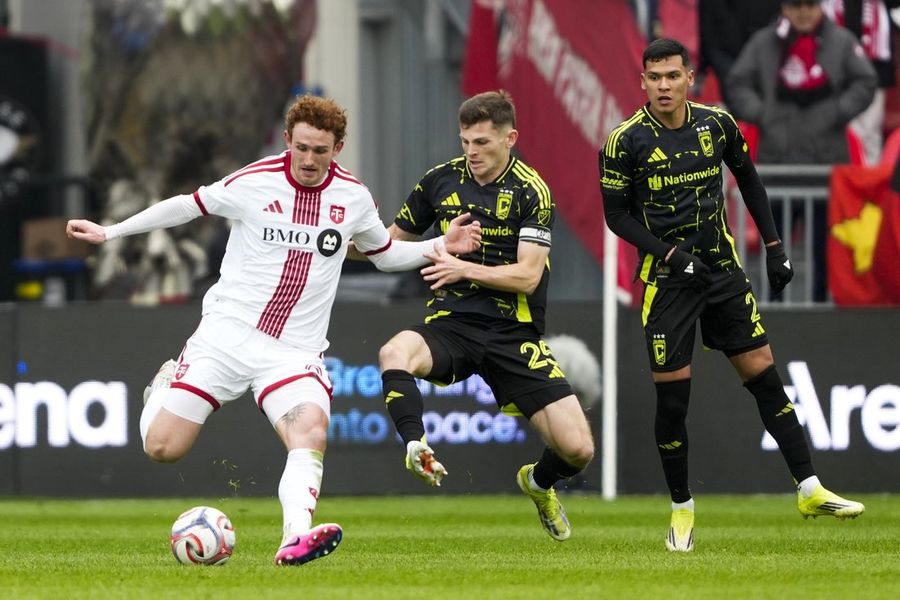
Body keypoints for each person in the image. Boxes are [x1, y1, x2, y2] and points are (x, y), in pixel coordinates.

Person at [66, 94, 482, 566]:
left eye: (320, 150)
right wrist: (111, 232)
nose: (308, 159)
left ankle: (294, 539)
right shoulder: (255, 181)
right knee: (162, 448)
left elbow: (384, 254)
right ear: (288, 140)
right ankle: (163, 385)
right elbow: (187, 206)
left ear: (337, 147)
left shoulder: (353, 197)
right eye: (301, 147)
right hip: (226, 337)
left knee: (311, 432)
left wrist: (437, 246)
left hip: (294, 351)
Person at [599, 38, 864, 553]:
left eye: (672, 76)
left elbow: (748, 179)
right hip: (668, 282)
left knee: (764, 374)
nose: (664, 86)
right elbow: (617, 217)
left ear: (689, 78)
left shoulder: (716, 124)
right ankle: (681, 510)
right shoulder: (624, 141)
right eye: (654, 78)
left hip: (721, 272)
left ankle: (809, 488)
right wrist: (672, 256)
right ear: (643, 83)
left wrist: (774, 246)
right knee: (673, 402)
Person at [377, 90, 595, 541]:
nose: (472, 152)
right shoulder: (439, 181)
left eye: (482, 142)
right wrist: (335, 238)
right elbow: (385, 246)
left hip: (513, 334)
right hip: (451, 326)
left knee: (578, 449)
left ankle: (537, 483)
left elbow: (528, 277)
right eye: (465, 142)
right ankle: (415, 444)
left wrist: (461, 267)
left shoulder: (531, 191)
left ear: (510, 138)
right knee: (393, 350)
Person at [727, 0, 877, 302]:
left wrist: (839, 110)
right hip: (777, 166)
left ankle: (822, 313)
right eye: (796, 6)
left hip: (826, 166)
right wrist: (761, 112)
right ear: (784, 8)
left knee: (826, 252)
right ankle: (773, 317)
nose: (803, 13)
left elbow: (867, 81)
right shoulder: (763, 42)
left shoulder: (841, 41)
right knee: (775, 249)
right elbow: (737, 82)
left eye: (809, 5)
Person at [821, 0, 900, 164]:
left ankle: (869, 182)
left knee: (869, 131)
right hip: (830, 71)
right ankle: (841, 180)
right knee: (836, 129)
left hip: (875, 68)